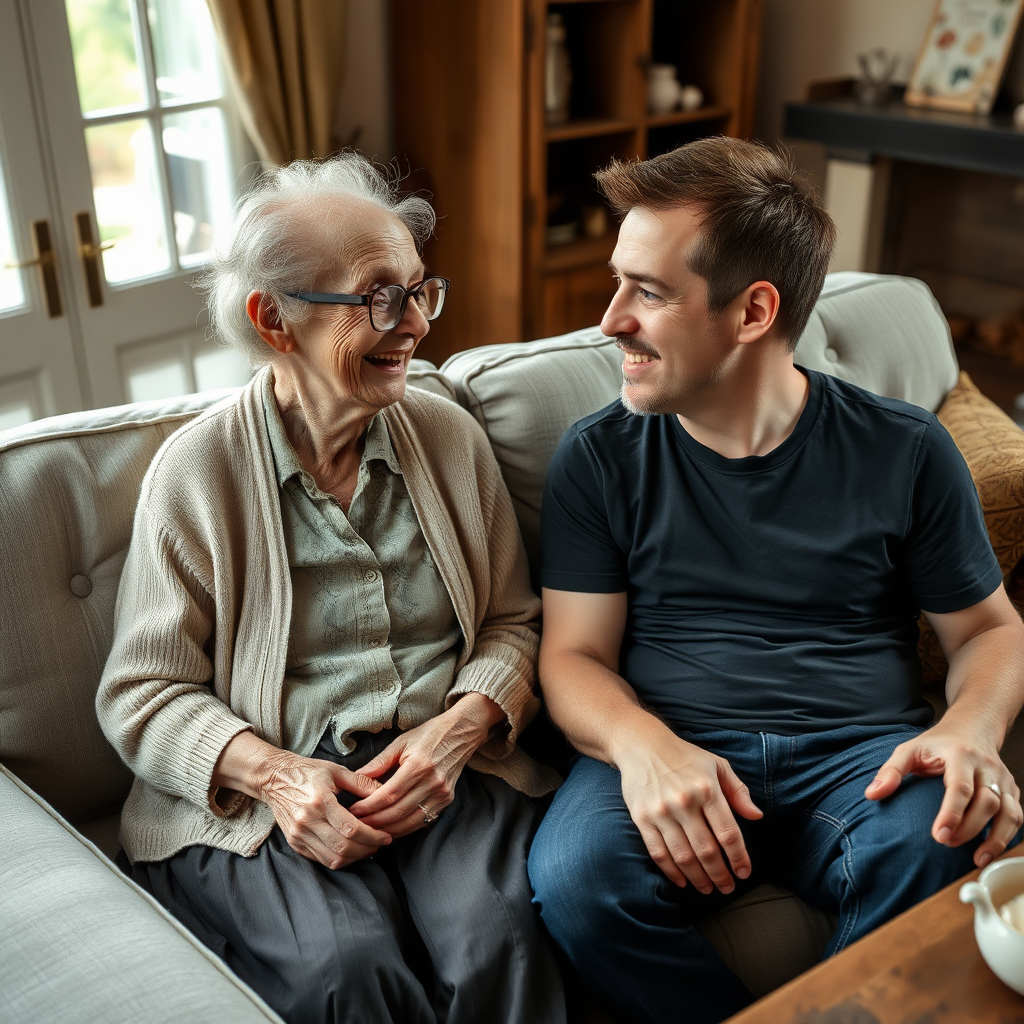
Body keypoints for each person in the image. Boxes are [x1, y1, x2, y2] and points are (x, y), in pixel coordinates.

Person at [527, 136, 1024, 1024]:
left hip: (860, 760)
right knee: (576, 880)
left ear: (754, 310)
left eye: (647, 291)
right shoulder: (598, 457)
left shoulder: (905, 449)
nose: (610, 320)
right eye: (618, 282)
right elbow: (570, 657)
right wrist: (644, 749)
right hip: (670, 739)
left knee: (943, 837)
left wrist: (971, 730)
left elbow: (988, 629)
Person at [97, 154, 565, 1024]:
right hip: (276, 792)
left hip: (440, 771)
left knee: (499, 937)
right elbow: (141, 696)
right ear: (275, 321)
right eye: (380, 297)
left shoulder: (448, 440)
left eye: (424, 291)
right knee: (343, 973)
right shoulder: (197, 475)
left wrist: (458, 733)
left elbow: (513, 624)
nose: (416, 323)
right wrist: (278, 779)